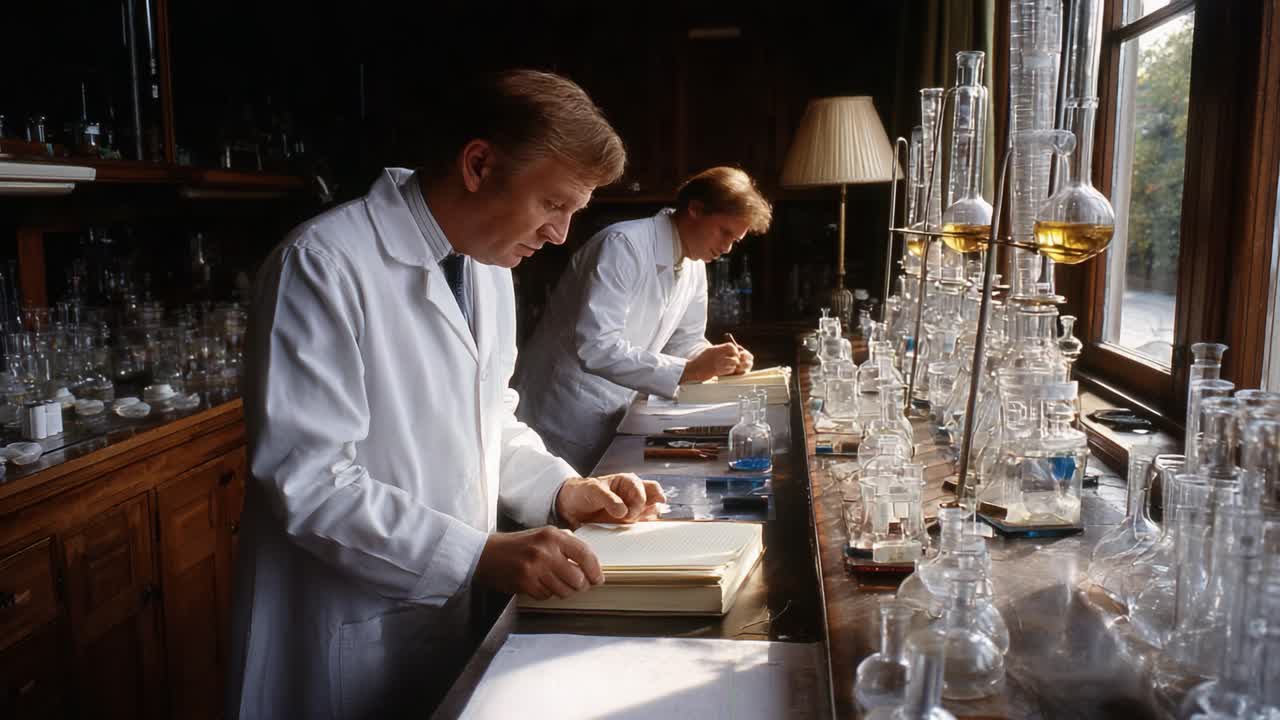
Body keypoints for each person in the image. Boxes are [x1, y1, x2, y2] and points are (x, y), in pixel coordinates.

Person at [225, 70, 666, 720]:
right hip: (339, 625)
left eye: (574, 211)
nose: (561, 234)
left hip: (440, 615)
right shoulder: (323, 265)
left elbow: (489, 418)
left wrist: (562, 490)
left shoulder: (487, 268)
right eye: (553, 203)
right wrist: (477, 554)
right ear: (479, 164)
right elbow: (310, 481)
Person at [513, 166, 773, 475]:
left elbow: (684, 341)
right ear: (695, 210)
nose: (728, 247)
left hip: (613, 415)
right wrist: (689, 370)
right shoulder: (623, 245)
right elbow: (596, 346)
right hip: (561, 415)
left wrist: (719, 359)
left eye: (736, 240)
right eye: (725, 232)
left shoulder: (694, 263)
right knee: (550, 510)